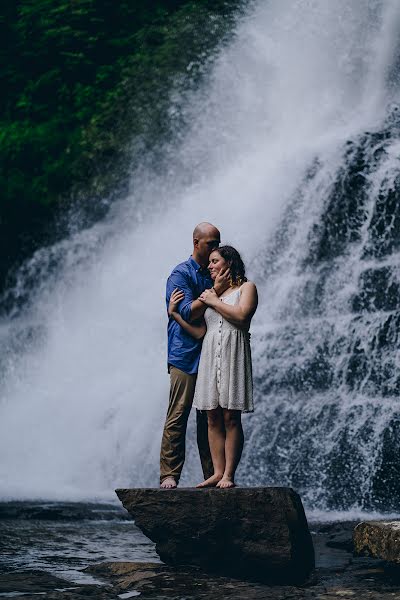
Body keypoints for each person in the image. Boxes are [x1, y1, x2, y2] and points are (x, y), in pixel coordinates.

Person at [169, 245, 257, 488]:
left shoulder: (246, 288)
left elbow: (241, 318)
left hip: (233, 352)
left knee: (231, 416)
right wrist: (175, 315)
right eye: (209, 262)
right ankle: (217, 473)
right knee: (212, 417)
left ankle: (229, 474)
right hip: (210, 354)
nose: (209, 266)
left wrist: (214, 300)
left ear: (228, 263)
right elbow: (199, 330)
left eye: (214, 261)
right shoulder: (210, 292)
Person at [160, 223, 231, 489]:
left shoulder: (217, 271)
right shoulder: (180, 274)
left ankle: (213, 473)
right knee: (178, 413)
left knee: (210, 416)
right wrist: (214, 293)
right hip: (184, 353)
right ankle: (169, 474)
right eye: (210, 243)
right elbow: (188, 312)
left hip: (212, 352)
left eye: (218, 242)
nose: (215, 247)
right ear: (196, 242)